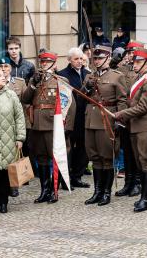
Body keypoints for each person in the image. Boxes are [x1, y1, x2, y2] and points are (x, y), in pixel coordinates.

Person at [22, 51, 76, 204]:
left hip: (54, 125)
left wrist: (68, 128)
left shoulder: (60, 80)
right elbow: (25, 99)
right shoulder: (35, 79)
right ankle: (44, 190)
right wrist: (33, 84)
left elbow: (70, 105)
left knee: (56, 157)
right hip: (37, 124)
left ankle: (54, 190)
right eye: (42, 62)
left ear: (54, 64)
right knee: (42, 158)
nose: (44, 64)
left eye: (47, 62)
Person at [114, 47, 147, 212]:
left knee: (146, 161)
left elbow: (143, 107)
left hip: (146, 124)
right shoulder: (140, 78)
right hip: (136, 124)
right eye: (134, 61)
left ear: (146, 63)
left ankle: (145, 198)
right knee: (140, 161)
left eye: (139, 61)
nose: (134, 64)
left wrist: (122, 114)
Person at [82, 45, 127, 206]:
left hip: (107, 119)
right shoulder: (90, 76)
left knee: (107, 157)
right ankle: (97, 191)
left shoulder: (117, 76)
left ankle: (106, 192)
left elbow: (122, 100)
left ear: (108, 59)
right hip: (91, 119)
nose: (97, 61)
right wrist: (87, 87)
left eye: (100, 58)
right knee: (94, 157)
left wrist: (119, 120)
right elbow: (82, 96)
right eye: (95, 58)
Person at [0, 67, 25, 213]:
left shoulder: (11, 95)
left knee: (6, 173)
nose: (3, 77)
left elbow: (19, 117)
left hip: (9, 139)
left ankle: (4, 202)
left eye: (4, 75)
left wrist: (20, 137)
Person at [112, 41, 143, 198]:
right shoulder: (121, 70)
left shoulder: (144, 72)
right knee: (127, 151)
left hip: (138, 116)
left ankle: (137, 182)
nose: (132, 55)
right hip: (124, 117)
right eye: (130, 52)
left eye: (135, 52)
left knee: (137, 151)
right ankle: (128, 183)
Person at [57, 47, 91, 188]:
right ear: (69, 60)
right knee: (68, 149)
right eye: (76, 59)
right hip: (70, 117)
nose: (79, 61)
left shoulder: (88, 73)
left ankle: (77, 175)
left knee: (83, 148)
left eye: (81, 59)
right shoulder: (62, 75)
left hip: (85, 116)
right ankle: (66, 178)